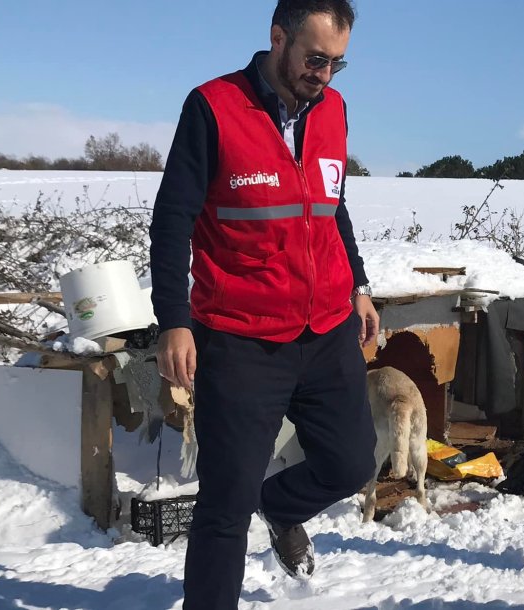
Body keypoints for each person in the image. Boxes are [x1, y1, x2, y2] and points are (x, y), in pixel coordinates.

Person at [149, 1, 377, 608]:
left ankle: (279, 506)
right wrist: (173, 319)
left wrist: (357, 283)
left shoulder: (334, 110)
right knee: (225, 503)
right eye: (314, 58)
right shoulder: (214, 107)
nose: (324, 75)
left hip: (325, 328)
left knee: (351, 463)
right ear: (278, 37)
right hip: (240, 337)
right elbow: (173, 220)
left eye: (337, 63)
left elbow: (333, 205)